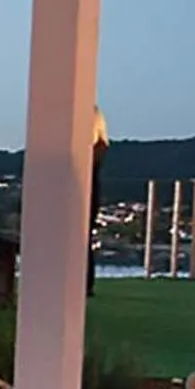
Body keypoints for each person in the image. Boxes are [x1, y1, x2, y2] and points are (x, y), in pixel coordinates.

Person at [89, 103, 109, 296]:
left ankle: (85, 282)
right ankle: (87, 283)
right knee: (84, 238)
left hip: (87, 190)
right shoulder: (100, 150)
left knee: (82, 237)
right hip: (90, 190)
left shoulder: (92, 154)